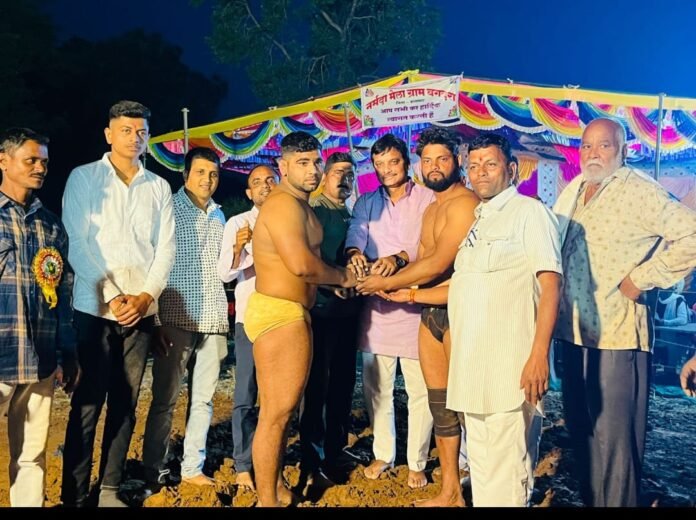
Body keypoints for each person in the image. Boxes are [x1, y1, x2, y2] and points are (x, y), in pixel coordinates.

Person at [401, 133, 562, 506]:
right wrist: (408, 293)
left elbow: (551, 286)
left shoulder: (529, 213)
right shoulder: (479, 220)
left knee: (508, 477)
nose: (481, 172)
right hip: (474, 373)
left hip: (510, 372)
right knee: (485, 472)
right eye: (474, 165)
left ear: (512, 169)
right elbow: (462, 286)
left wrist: (539, 355)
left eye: (490, 164)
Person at [553, 117, 696, 507]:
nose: (593, 153)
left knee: (614, 446)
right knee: (582, 434)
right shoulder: (576, 189)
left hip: (616, 336)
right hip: (572, 332)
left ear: (623, 149)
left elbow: (692, 233)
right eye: (586, 146)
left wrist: (643, 278)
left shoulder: (639, 190)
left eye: (604, 145)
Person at [61, 100, 176, 507]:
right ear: (109, 134)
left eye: (141, 131)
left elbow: (165, 249)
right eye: (126, 130)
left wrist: (145, 298)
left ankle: (109, 489)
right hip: (94, 310)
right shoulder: (84, 178)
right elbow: (76, 242)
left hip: (140, 312)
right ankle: (74, 496)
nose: (134, 138)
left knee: (125, 403)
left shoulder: (158, 186)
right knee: (88, 403)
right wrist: (113, 295)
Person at [358, 126, 478, 506]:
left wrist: (393, 280)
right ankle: (432, 480)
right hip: (414, 307)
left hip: (443, 306)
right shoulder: (402, 205)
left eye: (442, 158)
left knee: (449, 399)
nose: (434, 166)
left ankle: (437, 466)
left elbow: (437, 261)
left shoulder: (450, 201)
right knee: (411, 396)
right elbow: (419, 259)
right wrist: (370, 269)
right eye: (428, 159)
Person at [244, 131, 357, 506]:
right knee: (276, 416)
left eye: (316, 162)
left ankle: (276, 488)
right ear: (283, 166)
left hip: (290, 310)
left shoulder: (300, 205)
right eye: (303, 163)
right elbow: (301, 265)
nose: (313, 170)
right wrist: (343, 277)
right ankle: (268, 501)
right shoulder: (282, 205)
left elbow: (307, 268)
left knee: (282, 413)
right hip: (279, 313)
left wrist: (333, 284)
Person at [345, 133, 435, 489]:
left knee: (420, 390)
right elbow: (356, 232)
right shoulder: (367, 202)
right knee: (377, 388)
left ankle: (417, 460)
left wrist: (399, 259)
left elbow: (431, 246)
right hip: (376, 307)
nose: (386, 170)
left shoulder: (427, 198)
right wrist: (354, 253)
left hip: (415, 304)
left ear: (406, 162)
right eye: (379, 165)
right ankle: (384, 453)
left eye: (393, 162)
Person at [0, 128, 79, 507]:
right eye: (31, 159)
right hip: (2, 353)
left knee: (31, 455)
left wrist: (69, 353)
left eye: (44, 161)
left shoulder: (52, 225)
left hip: (41, 359)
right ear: (4, 161)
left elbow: (63, 295)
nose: (40, 168)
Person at [141, 147, 228, 490]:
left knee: (203, 399)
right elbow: (152, 265)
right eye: (201, 172)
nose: (207, 179)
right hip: (176, 316)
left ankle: (193, 466)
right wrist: (155, 321)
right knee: (165, 399)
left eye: (213, 174)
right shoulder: (168, 210)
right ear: (186, 174)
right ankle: (154, 467)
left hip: (214, 318)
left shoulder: (220, 215)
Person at [299, 152, 362, 486]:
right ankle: (313, 458)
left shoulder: (353, 214)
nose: (344, 179)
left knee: (343, 384)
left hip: (349, 313)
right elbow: (306, 260)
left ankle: (336, 449)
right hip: (321, 310)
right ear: (324, 175)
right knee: (317, 387)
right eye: (338, 172)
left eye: (350, 173)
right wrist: (331, 284)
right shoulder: (315, 212)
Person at [218, 164, 278, 490]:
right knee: (246, 393)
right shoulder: (238, 223)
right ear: (248, 192)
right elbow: (224, 274)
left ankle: (274, 462)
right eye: (257, 182)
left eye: (270, 180)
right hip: (250, 318)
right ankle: (243, 465)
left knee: (278, 396)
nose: (265, 186)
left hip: (284, 319)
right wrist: (239, 248)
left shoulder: (291, 219)